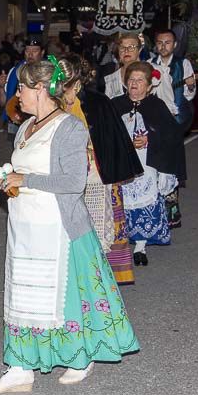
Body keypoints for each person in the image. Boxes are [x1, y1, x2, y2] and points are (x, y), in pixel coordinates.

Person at [0, 58, 140, 395]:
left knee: (62, 299)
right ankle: (20, 366)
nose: (17, 95)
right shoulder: (25, 128)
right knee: (23, 296)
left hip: (59, 230)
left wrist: (24, 177)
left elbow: (72, 181)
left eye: (21, 88)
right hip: (24, 229)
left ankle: (79, 357)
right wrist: (2, 183)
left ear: (40, 90)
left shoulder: (70, 127)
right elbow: (21, 171)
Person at [61, 55, 142, 286]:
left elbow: (110, 139)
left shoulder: (98, 102)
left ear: (76, 82)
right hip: (66, 173)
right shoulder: (52, 102)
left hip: (97, 172)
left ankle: (105, 275)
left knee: (103, 226)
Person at [112, 62, 186, 267]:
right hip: (123, 163)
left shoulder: (156, 106)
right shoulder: (116, 104)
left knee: (145, 200)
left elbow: (171, 135)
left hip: (148, 163)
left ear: (149, 85)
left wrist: (149, 139)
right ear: (125, 83)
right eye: (131, 80)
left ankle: (140, 246)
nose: (134, 84)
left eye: (139, 80)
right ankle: (120, 241)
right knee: (122, 201)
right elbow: (105, 132)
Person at [149, 29, 196, 228]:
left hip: (175, 121)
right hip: (154, 122)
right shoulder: (150, 65)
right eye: (160, 43)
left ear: (175, 45)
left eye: (168, 42)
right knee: (153, 165)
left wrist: (192, 86)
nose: (163, 46)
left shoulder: (183, 64)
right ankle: (153, 208)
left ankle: (172, 211)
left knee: (171, 164)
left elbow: (189, 95)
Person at [104, 33, 143, 98]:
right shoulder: (111, 79)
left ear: (139, 50)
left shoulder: (152, 72)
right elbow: (108, 105)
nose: (126, 51)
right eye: (122, 47)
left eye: (131, 47)